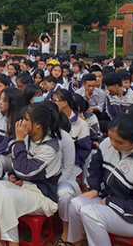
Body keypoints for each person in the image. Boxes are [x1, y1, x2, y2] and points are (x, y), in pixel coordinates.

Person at [66, 114, 133, 246]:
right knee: (75, 203)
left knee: (90, 213)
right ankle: (75, 242)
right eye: (111, 138)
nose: (113, 144)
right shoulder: (107, 144)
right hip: (110, 201)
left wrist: (111, 202)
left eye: (119, 142)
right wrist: (94, 189)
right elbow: (95, 167)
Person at [0, 103, 62, 246]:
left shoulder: (51, 147)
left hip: (42, 196)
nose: (21, 123)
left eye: (26, 119)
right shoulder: (27, 138)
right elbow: (18, 167)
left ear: (38, 125)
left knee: (7, 196)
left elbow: (25, 170)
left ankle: (12, 243)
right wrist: (15, 177)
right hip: (25, 186)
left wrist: (18, 141)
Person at [52, 89, 91, 242]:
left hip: (73, 164)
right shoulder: (54, 121)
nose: (54, 103)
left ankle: (67, 228)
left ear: (64, 103)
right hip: (54, 163)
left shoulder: (80, 124)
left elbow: (84, 150)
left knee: (65, 191)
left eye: (56, 100)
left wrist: (69, 160)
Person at [0, 87, 26, 177]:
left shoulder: (21, 120)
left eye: (4, 100)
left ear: (13, 103)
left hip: (15, 157)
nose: (0, 102)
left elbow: (9, 142)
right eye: (0, 98)